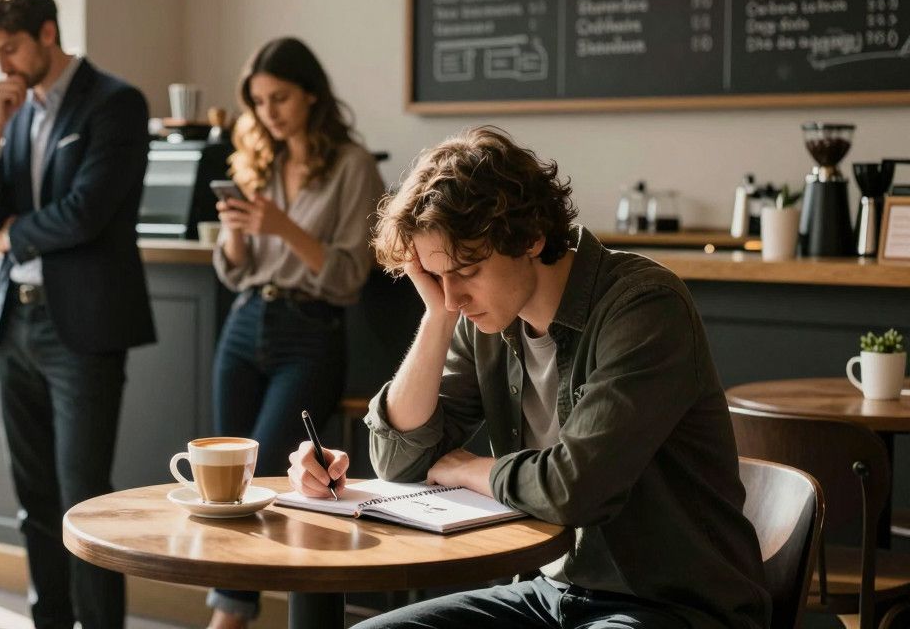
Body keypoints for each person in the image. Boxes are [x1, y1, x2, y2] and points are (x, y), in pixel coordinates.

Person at [288, 126, 771, 629]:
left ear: (531, 236)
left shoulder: (644, 307)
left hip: (674, 606)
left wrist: (470, 469)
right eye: (437, 277)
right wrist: (435, 318)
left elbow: (575, 488)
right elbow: (398, 461)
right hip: (550, 594)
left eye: (467, 271)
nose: (453, 297)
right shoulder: (481, 321)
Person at [0, 0, 155, 629]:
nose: (2, 65)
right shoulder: (15, 113)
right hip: (12, 321)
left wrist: (16, 233)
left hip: (83, 327)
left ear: (47, 33)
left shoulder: (115, 103)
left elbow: (86, 214)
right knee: (34, 500)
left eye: (8, 49)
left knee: (85, 500)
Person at [207, 37, 385, 629]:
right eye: (258, 102)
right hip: (245, 322)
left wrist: (281, 226)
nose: (268, 113)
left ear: (310, 93)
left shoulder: (354, 166)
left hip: (310, 331)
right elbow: (234, 269)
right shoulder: (258, 160)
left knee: (266, 477)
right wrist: (236, 231)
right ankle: (232, 611)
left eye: (279, 97)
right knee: (223, 482)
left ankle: (230, 617)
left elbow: (351, 274)